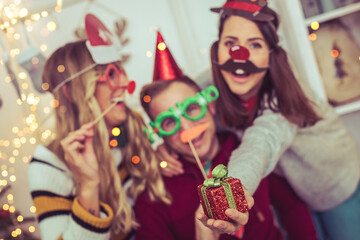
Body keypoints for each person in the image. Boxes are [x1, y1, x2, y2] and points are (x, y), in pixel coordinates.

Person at [209, 1, 360, 240]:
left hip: (336, 183)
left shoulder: (283, 96)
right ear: (217, 49)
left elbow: (260, 144)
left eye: (255, 44)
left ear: (270, 55)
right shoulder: (213, 84)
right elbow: (183, 97)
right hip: (295, 193)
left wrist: (233, 189)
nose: (239, 55)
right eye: (230, 43)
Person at [27, 14, 169, 240]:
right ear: (73, 92)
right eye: (111, 74)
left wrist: (161, 151)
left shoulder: (127, 128)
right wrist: (88, 186)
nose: (124, 83)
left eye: (121, 71)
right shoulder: (49, 164)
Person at [134, 31, 285, 240]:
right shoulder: (153, 198)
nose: (186, 128)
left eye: (192, 108)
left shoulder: (247, 149)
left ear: (210, 106)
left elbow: (291, 208)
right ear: (159, 132)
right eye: (169, 121)